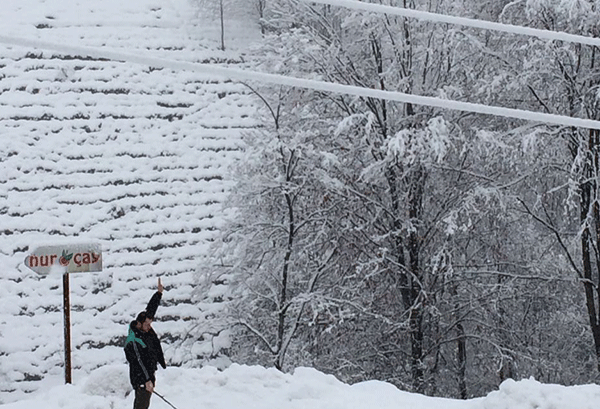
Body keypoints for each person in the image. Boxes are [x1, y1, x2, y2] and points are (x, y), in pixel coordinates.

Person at [124, 278, 167, 409]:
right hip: (141, 380)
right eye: (147, 325)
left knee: (144, 404)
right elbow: (138, 361)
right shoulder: (133, 341)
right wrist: (147, 380)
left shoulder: (145, 329)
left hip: (148, 376)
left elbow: (151, 310)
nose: (149, 327)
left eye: (150, 324)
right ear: (139, 324)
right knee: (141, 405)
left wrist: (158, 294)